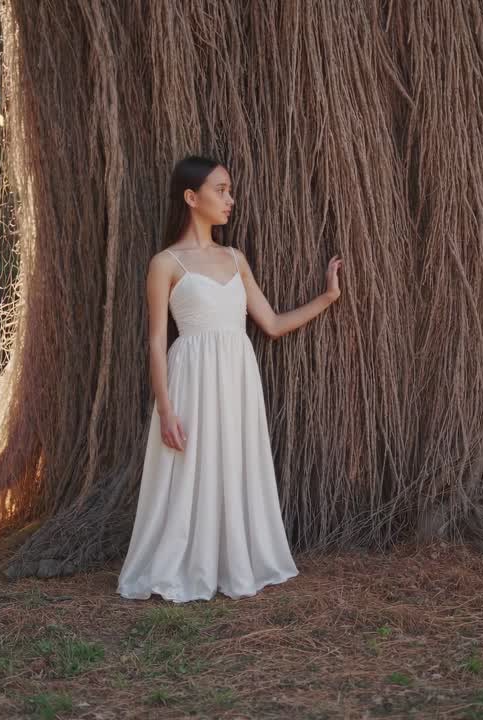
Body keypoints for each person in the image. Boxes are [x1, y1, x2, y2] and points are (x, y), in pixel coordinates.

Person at [117, 155, 343, 602]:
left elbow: (273, 324)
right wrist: (165, 409)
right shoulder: (165, 263)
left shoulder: (235, 258)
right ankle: (187, 564)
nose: (230, 199)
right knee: (189, 472)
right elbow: (156, 342)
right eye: (220, 190)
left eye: (229, 190)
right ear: (191, 197)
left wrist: (328, 296)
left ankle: (232, 560)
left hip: (237, 375)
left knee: (234, 463)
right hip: (191, 379)